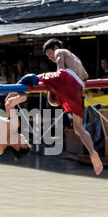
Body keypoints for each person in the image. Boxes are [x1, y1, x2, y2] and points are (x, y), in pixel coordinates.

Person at [36, 38, 103, 175]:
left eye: (50, 53)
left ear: (55, 48)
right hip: (79, 88)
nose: (51, 57)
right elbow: (85, 76)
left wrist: (52, 86)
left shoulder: (60, 51)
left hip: (67, 79)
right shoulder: (77, 61)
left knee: (34, 78)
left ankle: (13, 93)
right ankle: (92, 151)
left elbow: (60, 70)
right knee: (78, 128)